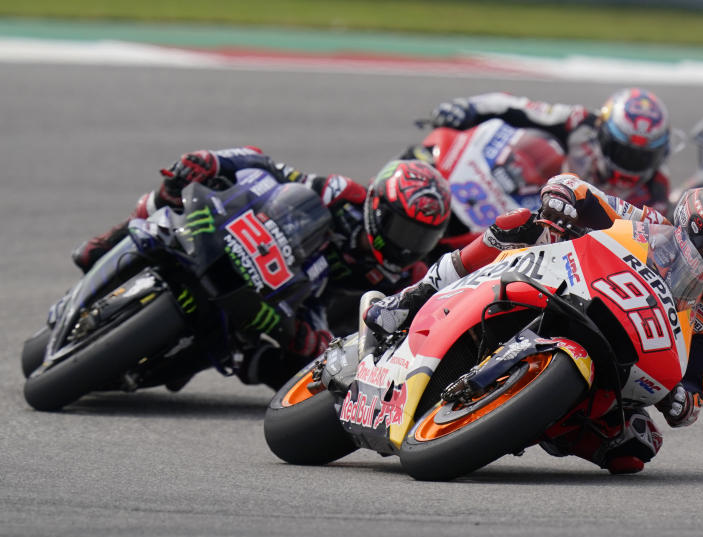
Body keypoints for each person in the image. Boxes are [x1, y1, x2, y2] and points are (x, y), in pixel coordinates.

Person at [365, 173, 703, 474]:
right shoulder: (649, 223)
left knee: (634, 451)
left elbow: (697, 385)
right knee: (517, 222)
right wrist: (561, 198)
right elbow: (579, 190)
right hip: (568, 287)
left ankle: (524, 419)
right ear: (694, 236)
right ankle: (409, 298)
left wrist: (683, 401)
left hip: (627, 360)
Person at [71, 147, 452, 389]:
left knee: (283, 361)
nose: (407, 245)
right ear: (377, 207)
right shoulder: (342, 194)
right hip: (263, 245)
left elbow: (388, 331)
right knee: (166, 200)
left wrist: (326, 343)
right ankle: (106, 242)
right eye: (403, 229)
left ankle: (187, 361)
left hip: (304, 301)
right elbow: (270, 167)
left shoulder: (408, 275)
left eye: (421, 238)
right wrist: (217, 162)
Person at [425, 88, 674, 213]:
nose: (632, 164)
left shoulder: (656, 191)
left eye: (643, 157)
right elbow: (517, 107)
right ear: (603, 134)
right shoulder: (580, 122)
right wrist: (468, 108)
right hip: (528, 203)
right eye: (624, 152)